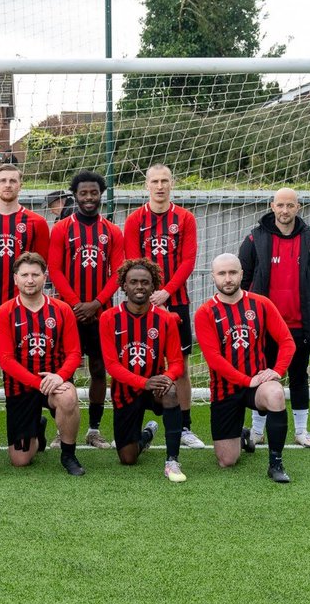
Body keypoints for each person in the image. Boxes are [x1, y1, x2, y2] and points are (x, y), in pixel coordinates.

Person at [239, 188, 310, 449]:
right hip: (264, 327)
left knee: (299, 376)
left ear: (298, 207)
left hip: (298, 325)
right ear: (272, 206)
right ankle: (257, 431)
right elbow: (244, 277)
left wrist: (303, 297)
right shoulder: (256, 238)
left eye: (290, 205)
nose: (285, 210)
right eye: (280, 205)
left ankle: (301, 431)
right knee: (262, 377)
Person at [194, 254, 296, 484]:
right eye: (222, 274)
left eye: (232, 272)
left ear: (241, 273)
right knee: (226, 461)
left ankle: (276, 463)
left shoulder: (261, 304)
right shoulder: (205, 312)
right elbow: (214, 359)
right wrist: (245, 380)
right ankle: (242, 434)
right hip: (225, 389)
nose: (227, 279)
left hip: (256, 385)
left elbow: (287, 341)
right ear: (213, 277)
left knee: (275, 392)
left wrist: (276, 371)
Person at [123, 163, 202, 448]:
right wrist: (151, 294)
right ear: (146, 185)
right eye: (154, 181)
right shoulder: (134, 220)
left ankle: (184, 427)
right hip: (143, 305)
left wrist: (167, 292)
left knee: (180, 367)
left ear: (172, 184)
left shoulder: (185, 218)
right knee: (139, 360)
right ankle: (136, 420)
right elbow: (133, 263)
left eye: (164, 181)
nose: (159, 186)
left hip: (176, 302)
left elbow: (188, 260)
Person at [47, 170, 124, 450]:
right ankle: (61, 430)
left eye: (94, 192)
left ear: (100, 194)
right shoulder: (61, 228)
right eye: (83, 193)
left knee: (99, 369)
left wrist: (96, 304)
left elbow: (118, 273)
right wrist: (76, 304)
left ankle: (93, 429)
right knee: (63, 370)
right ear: (75, 196)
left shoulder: (112, 231)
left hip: (101, 314)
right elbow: (54, 269)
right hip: (68, 313)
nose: (89, 197)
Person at [0, 252, 85, 476]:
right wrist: (37, 382)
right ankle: (37, 427)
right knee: (20, 460)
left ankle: (68, 454)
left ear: (45, 277)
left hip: (54, 383)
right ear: (15, 279)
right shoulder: (4, 312)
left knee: (68, 396)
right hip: (20, 387)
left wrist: (60, 376)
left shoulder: (61, 310)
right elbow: (5, 360)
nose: (30, 280)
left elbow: (74, 353)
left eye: (35, 274)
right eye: (24, 275)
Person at [99, 259, 187, 482]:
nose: (139, 286)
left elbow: (177, 363)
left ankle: (172, 460)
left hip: (155, 388)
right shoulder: (108, 318)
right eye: (134, 282)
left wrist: (166, 378)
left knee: (171, 391)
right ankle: (147, 434)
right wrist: (143, 382)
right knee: (127, 458)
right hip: (126, 391)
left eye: (145, 282)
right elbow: (112, 365)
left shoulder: (166, 319)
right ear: (124, 286)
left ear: (153, 286)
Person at [0, 164, 50, 401]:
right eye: (3, 180)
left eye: (13, 181)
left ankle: (29, 421)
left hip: (25, 308)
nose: (7, 185)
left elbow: (41, 266)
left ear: (20, 185)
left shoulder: (36, 222)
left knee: (25, 363)